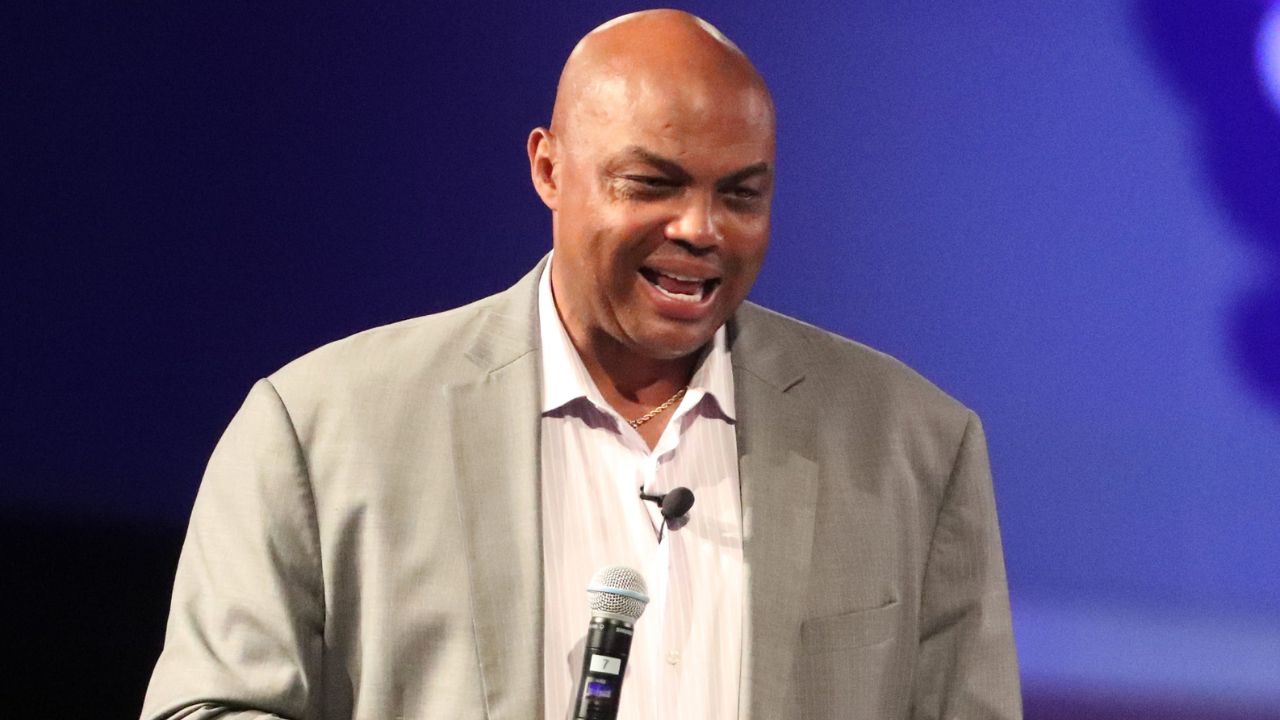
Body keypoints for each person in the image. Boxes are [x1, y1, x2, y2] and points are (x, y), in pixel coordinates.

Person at [142, 9, 1021, 720]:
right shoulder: (323, 427)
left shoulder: (914, 448)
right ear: (549, 169)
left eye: (740, 194)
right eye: (653, 184)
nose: (700, 229)